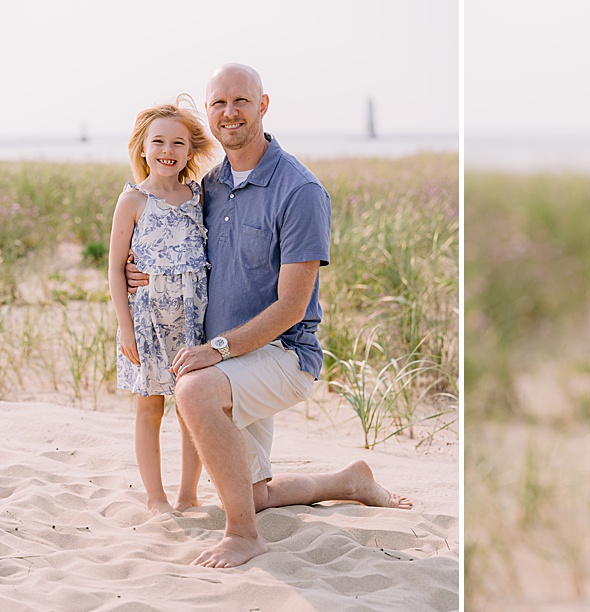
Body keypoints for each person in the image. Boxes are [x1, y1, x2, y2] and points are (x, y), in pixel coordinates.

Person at [127, 63, 411, 569]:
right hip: (232, 362)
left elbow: (291, 307)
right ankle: (350, 481)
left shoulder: (299, 191)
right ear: (209, 114)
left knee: (194, 390)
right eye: (218, 103)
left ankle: (244, 536)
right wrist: (140, 274)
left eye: (240, 101)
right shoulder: (208, 187)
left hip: (282, 355)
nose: (229, 112)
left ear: (263, 105)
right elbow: (174, 247)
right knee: (250, 491)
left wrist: (215, 351)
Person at [108, 97, 217, 516]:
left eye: (177, 143)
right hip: (148, 321)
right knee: (151, 405)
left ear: (190, 151)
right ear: (142, 148)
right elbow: (117, 269)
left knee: (190, 404)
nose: (167, 151)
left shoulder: (198, 197)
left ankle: (188, 493)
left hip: (194, 320)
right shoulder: (133, 201)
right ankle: (156, 498)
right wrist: (125, 327)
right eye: (158, 142)